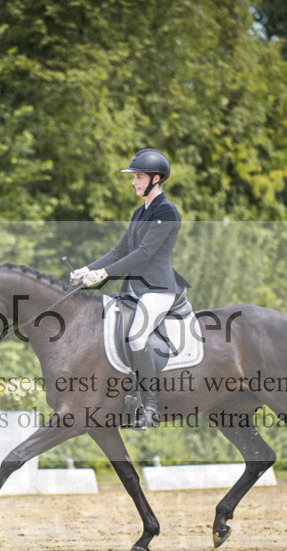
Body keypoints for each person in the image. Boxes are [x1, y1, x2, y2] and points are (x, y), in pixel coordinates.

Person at [71, 148, 188, 430]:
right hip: (136, 289)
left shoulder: (166, 212)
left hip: (159, 290)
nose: (134, 182)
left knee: (136, 337)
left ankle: (149, 408)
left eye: (138, 177)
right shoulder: (140, 212)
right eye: (134, 177)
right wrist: (88, 269)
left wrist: (105, 273)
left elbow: (144, 253)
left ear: (156, 179)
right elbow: (121, 249)